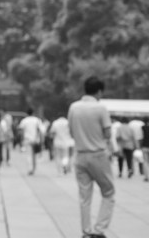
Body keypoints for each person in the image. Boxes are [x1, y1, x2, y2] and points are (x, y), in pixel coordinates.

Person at [68, 77, 115, 238]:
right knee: (108, 192)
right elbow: (107, 133)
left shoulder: (74, 107)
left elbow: (71, 132)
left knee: (84, 197)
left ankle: (86, 231)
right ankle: (99, 229)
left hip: (80, 155)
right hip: (98, 155)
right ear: (99, 91)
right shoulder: (100, 108)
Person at [18, 108, 44, 175]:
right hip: (35, 140)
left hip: (27, 139)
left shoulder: (24, 121)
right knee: (35, 155)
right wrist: (41, 141)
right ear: (33, 113)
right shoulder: (37, 120)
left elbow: (21, 131)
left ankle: (30, 169)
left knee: (29, 155)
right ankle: (34, 168)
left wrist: (21, 141)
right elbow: (41, 131)